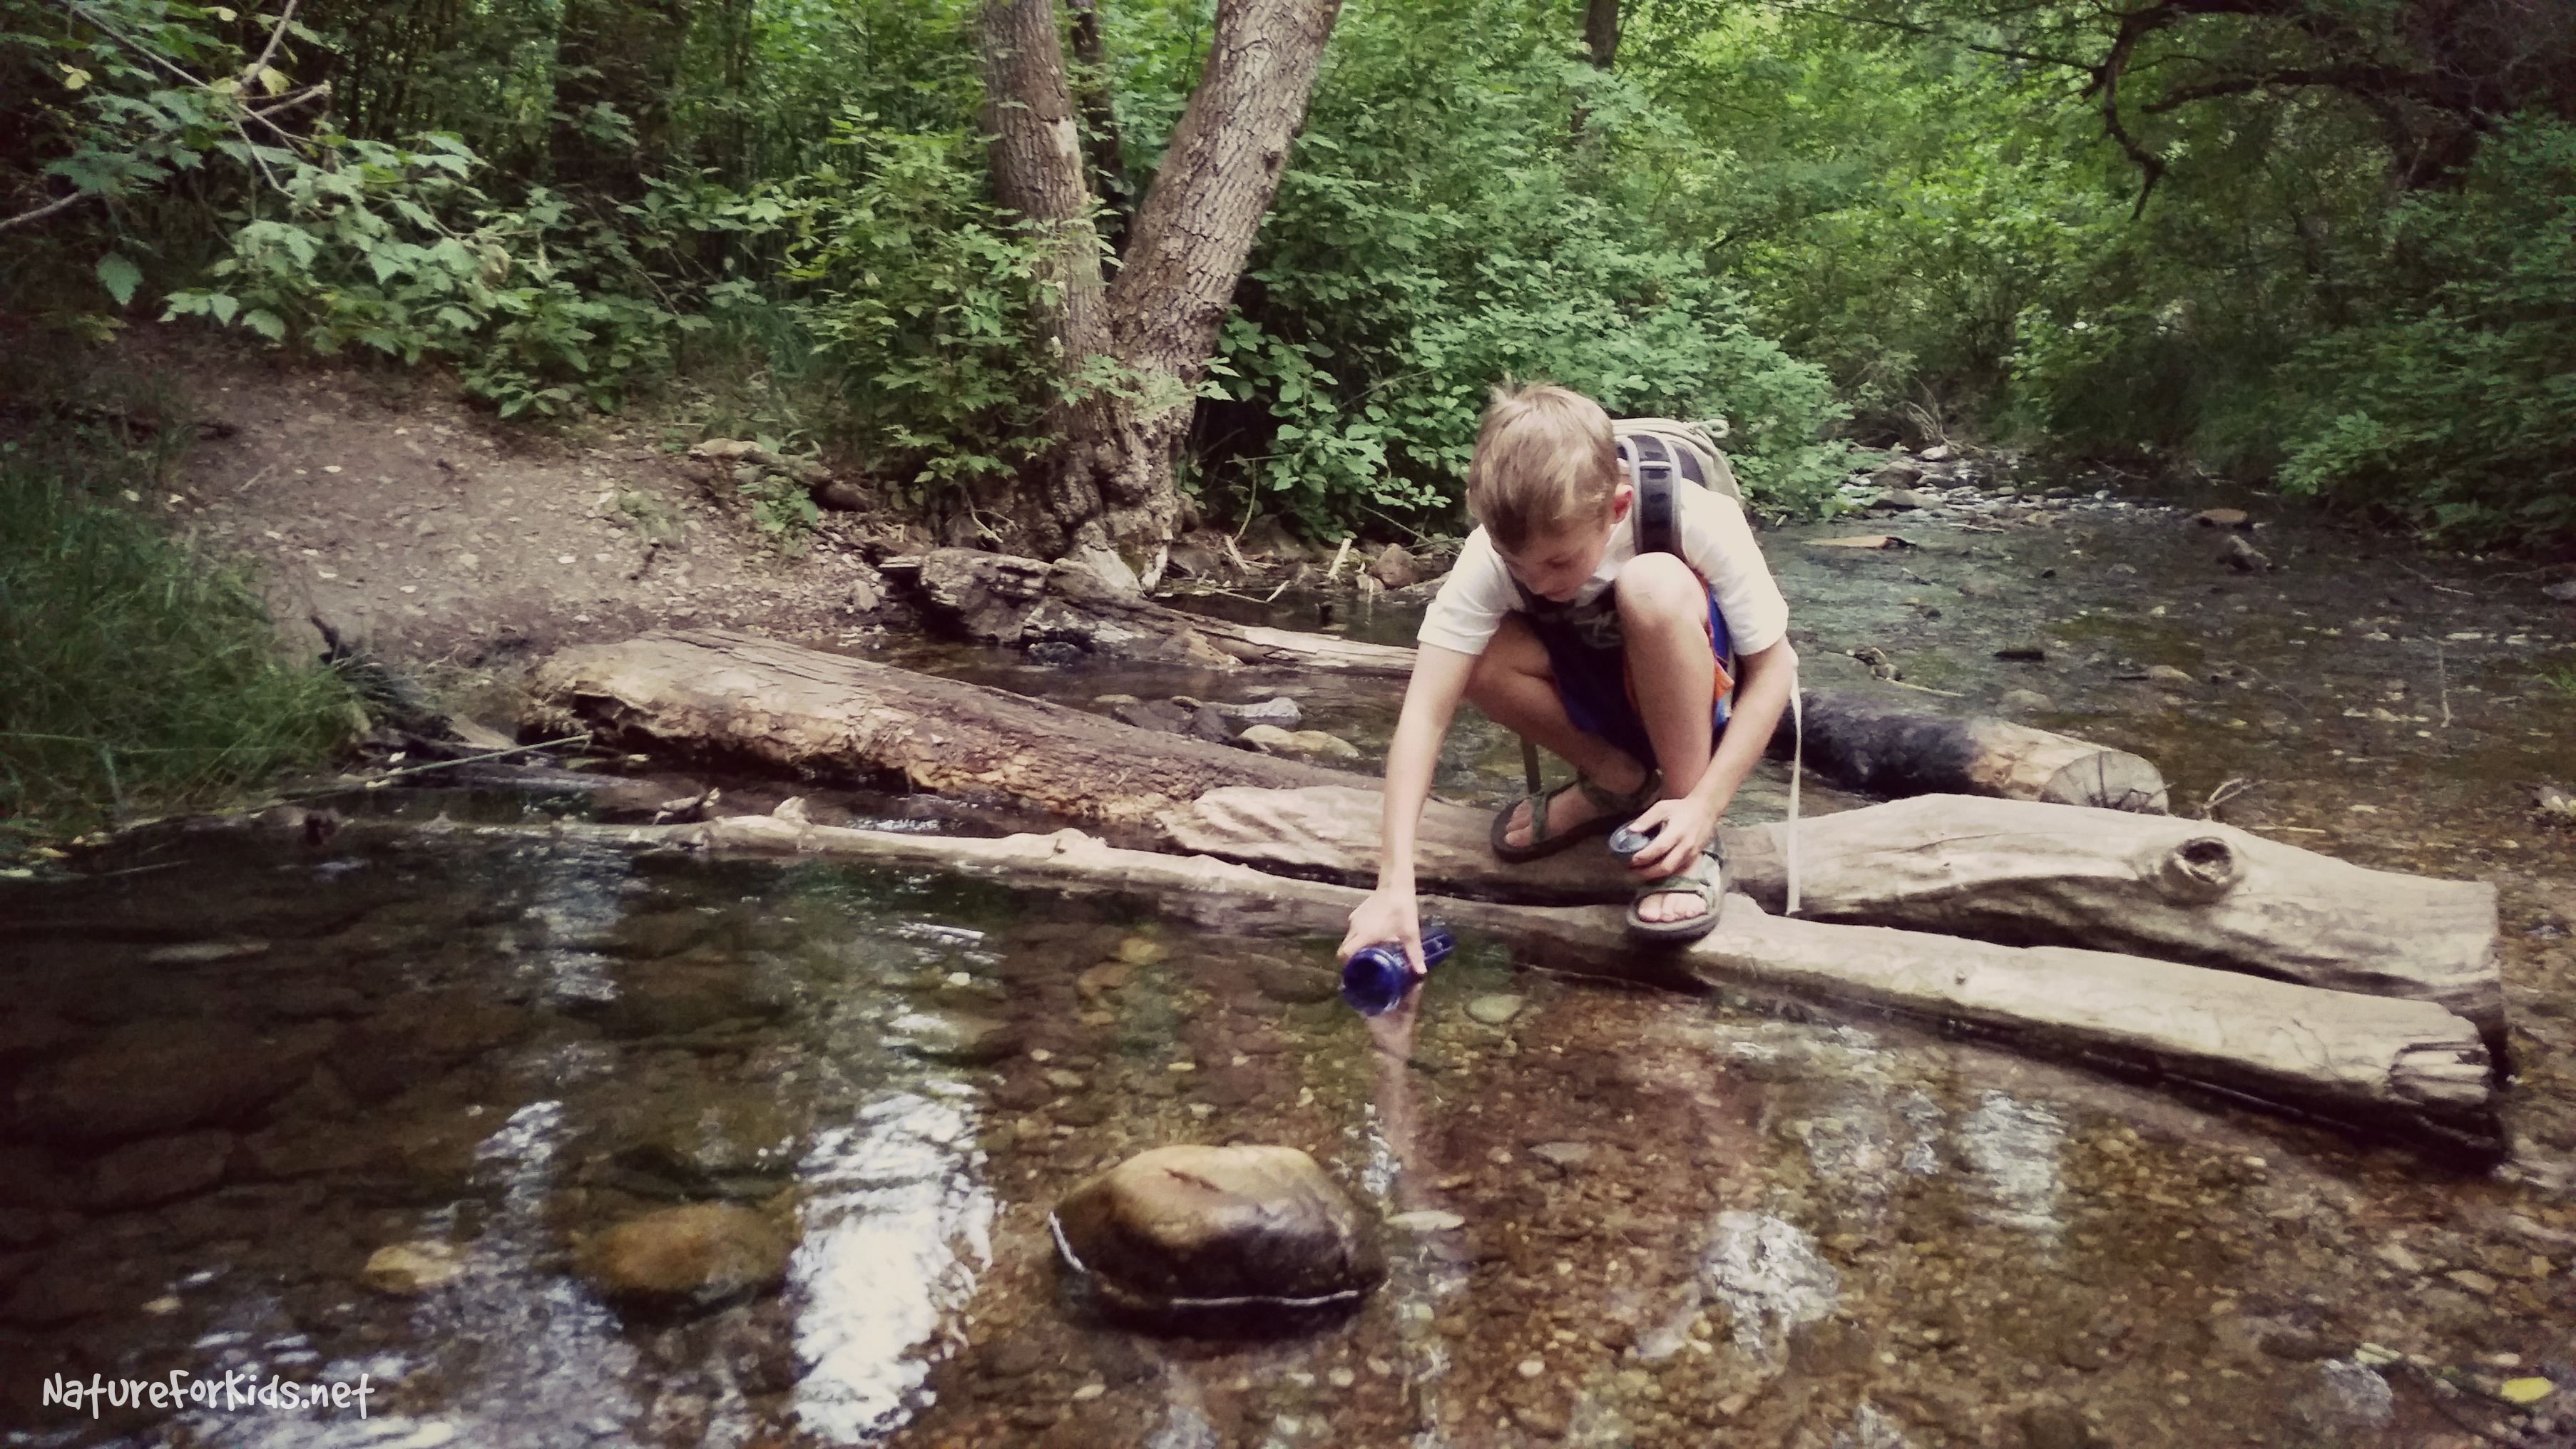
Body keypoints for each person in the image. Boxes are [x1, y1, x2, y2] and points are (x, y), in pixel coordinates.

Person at [1337, 383, 1796, 974]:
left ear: (1618, 508)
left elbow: (1775, 669)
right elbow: (1425, 711)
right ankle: (1619, 781)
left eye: (1558, 561)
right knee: (1464, 652)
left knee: (1651, 583)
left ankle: (1682, 827)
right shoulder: (1492, 553)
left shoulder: (1692, 516)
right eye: (1516, 562)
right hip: (1604, 694)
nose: (1539, 580)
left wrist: (1707, 804)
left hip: (1696, 698)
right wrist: (1393, 884)